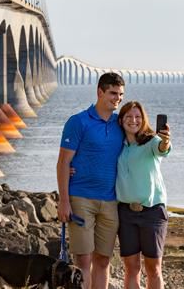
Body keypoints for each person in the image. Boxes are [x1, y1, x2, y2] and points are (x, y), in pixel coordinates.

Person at [56, 72, 125, 289]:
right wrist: (64, 201)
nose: (117, 99)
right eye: (113, 93)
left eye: (121, 94)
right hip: (81, 200)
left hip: (111, 201)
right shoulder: (78, 122)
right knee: (82, 261)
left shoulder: (121, 124)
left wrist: (163, 141)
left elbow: (143, 144)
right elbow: (63, 163)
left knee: (103, 261)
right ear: (99, 92)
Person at [115, 101, 171, 289]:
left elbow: (162, 149)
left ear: (143, 119)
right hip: (125, 213)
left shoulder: (151, 142)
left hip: (152, 213)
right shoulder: (117, 146)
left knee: (153, 269)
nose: (134, 120)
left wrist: (165, 141)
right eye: (129, 117)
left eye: (138, 117)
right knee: (131, 268)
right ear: (121, 120)